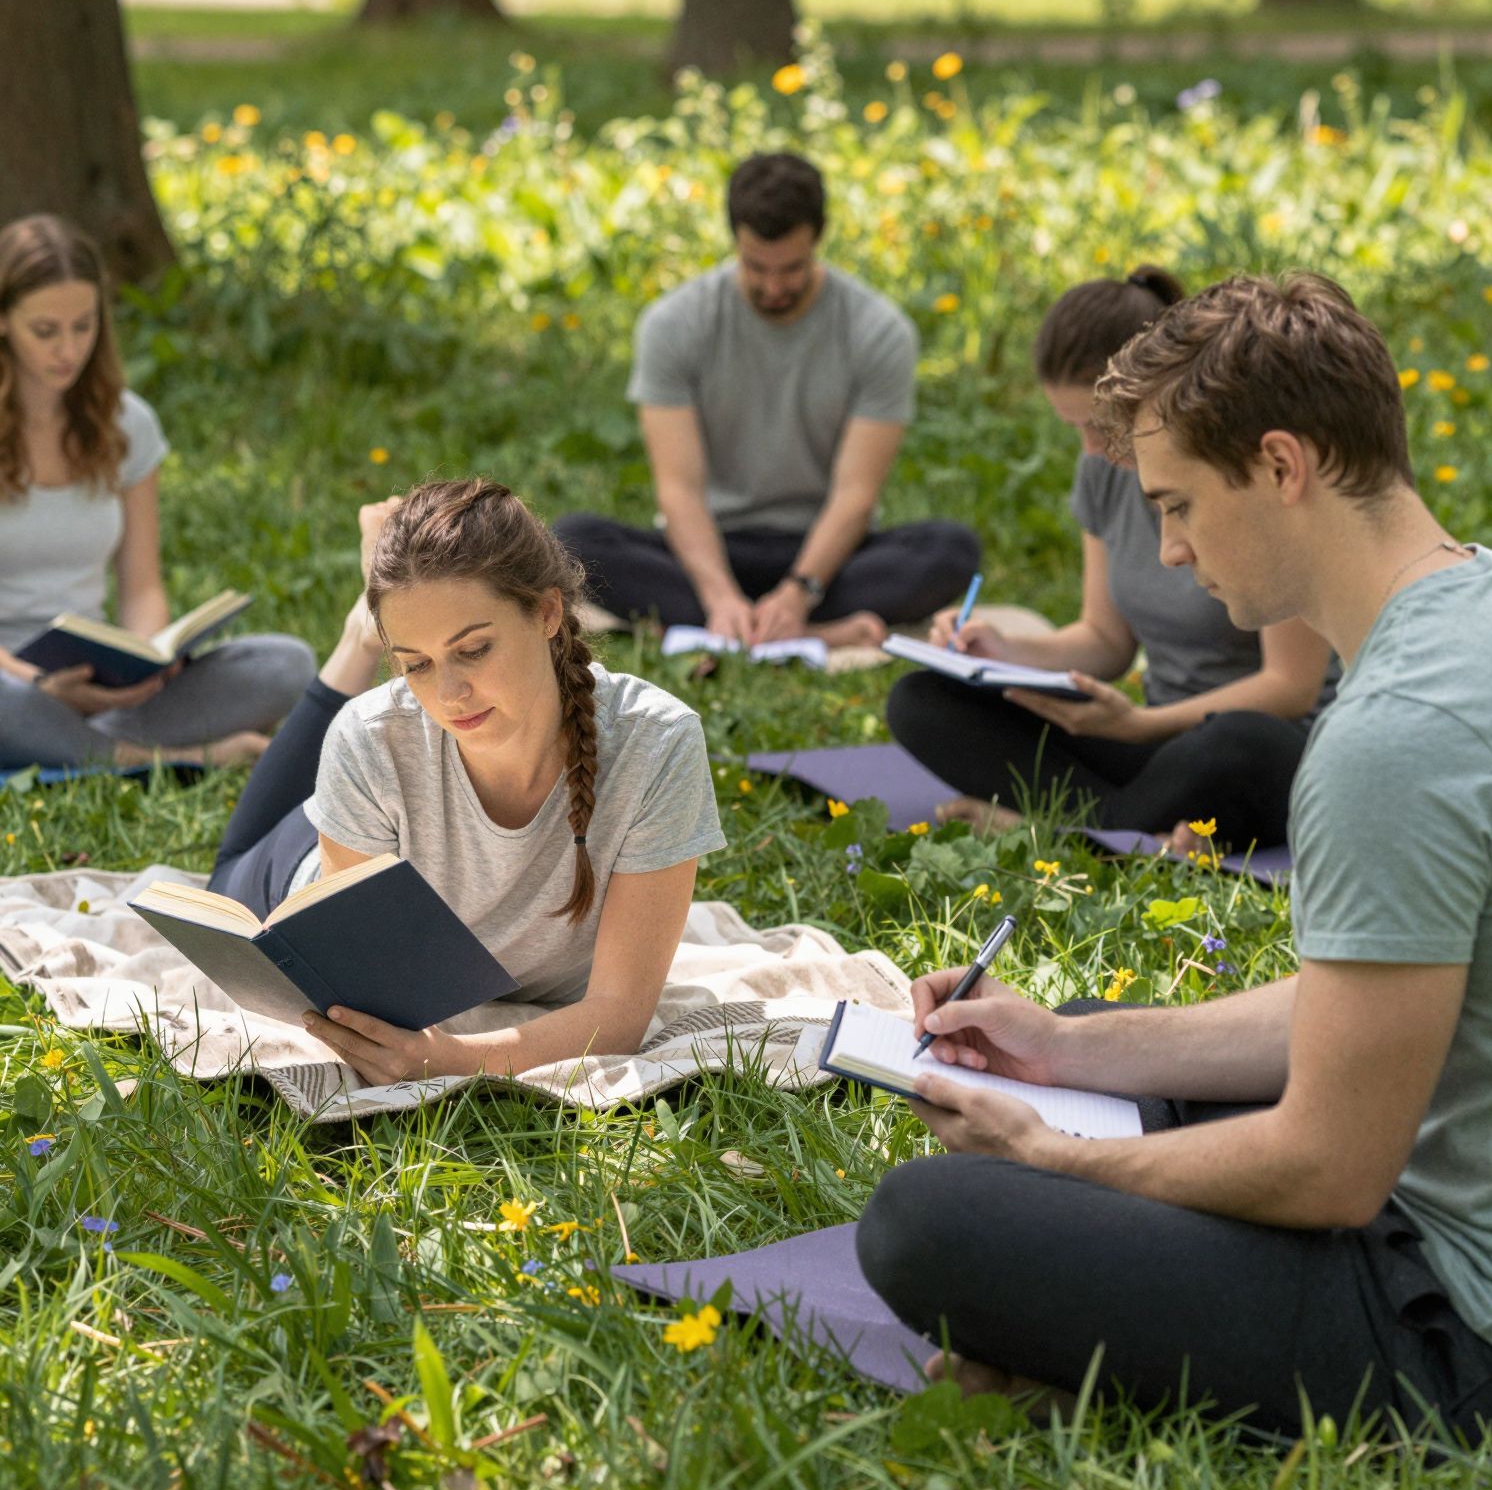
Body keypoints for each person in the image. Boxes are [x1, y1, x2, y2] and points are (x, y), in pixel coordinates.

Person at [857, 272, 1492, 1449]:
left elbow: (1330, 1167)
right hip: (1460, 1153)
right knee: (1091, 1047)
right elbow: (1370, 1003)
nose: (1168, 550)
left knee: (924, 1221)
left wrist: (1052, 1158)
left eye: (1178, 506)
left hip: (1477, 1333)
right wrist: (1066, 1044)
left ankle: (1107, 1370)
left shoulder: (1392, 740)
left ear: (1281, 465)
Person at [207, 480, 725, 1084]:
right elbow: (363, 989)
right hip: (295, 871)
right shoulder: (372, 737)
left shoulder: (655, 743)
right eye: (416, 664)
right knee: (227, 872)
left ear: (549, 612)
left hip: (386, 801)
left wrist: (452, 1060)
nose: (450, 695)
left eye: (474, 649)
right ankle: (363, 634)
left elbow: (619, 1016)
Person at [886, 266, 1333, 854]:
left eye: (1100, 426)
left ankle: (1065, 832)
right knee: (921, 702)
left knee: (1234, 744)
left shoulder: (1246, 475)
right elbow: (1105, 639)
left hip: (1271, 746)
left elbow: (1291, 688)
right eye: (1074, 428)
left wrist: (1141, 724)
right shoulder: (1101, 473)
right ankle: (1129, 825)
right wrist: (1001, 651)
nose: (1091, 449)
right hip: (1158, 741)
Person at [552, 152, 979, 648]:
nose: (774, 287)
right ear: (735, 239)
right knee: (574, 540)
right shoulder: (673, 325)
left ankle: (739, 627)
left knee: (950, 550)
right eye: (757, 267)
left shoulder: (879, 332)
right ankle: (800, 630)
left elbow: (855, 496)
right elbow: (679, 491)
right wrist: (719, 595)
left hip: (828, 556)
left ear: (818, 238)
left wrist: (798, 592)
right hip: (710, 549)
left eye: (792, 268)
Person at [0, 214, 314, 771]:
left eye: (83, 326)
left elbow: (142, 586)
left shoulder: (127, 426)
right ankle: (165, 758)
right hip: (15, 683)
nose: (67, 349)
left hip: (100, 689)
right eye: (45, 331)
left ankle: (88, 745)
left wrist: (148, 661)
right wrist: (43, 686)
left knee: (286, 664)